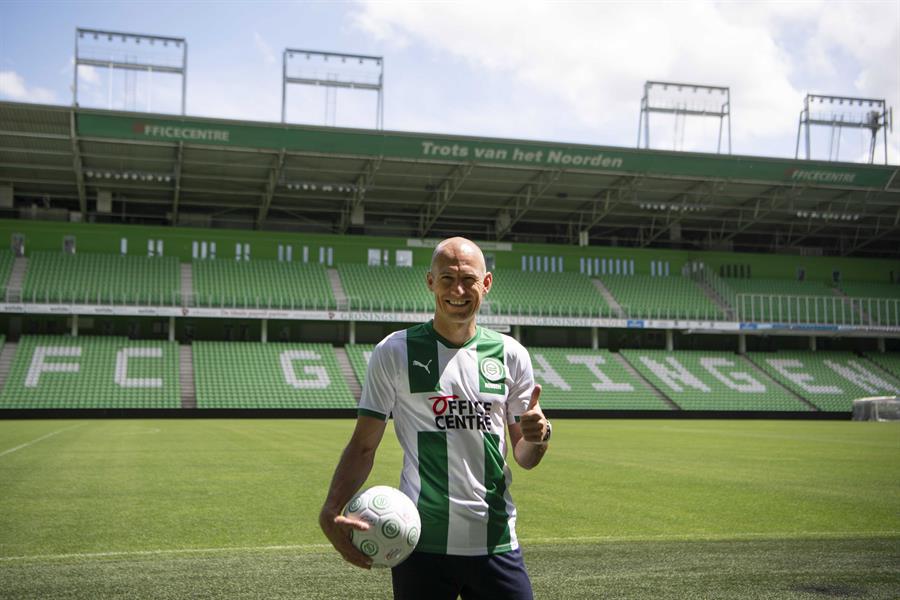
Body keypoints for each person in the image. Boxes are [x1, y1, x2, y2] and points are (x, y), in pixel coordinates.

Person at [319, 237, 552, 600]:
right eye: (447, 279)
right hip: (420, 547)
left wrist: (539, 437)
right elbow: (364, 446)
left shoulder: (511, 354)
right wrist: (331, 508)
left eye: (468, 279)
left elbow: (525, 456)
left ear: (486, 283)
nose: (457, 290)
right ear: (430, 282)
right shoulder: (394, 352)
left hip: (495, 541)